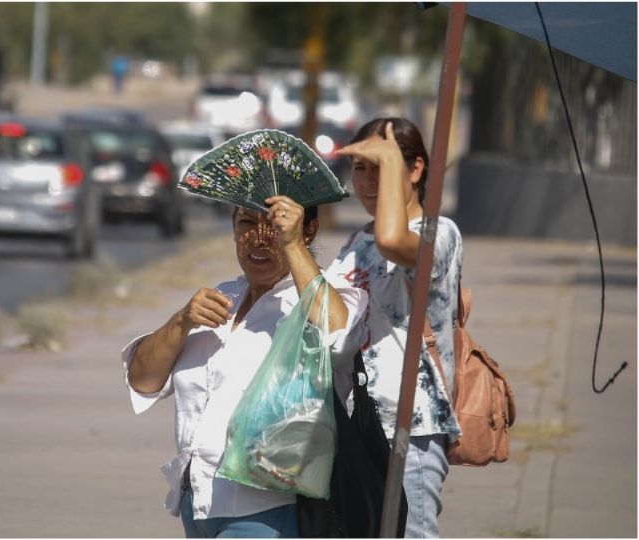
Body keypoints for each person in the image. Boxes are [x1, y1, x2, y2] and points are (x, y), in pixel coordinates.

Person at [121, 195, 367, 538]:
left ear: (308, 229)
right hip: (199, 505)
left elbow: (340, 334)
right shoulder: (221, 299)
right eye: (247, 223)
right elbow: (142, 380)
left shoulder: (323, 296)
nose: (259, 238)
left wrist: (292, 244)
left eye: (275, 225)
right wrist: (181, 322)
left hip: (267, 508)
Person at [328, 117, 463, 538]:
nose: (368, 181)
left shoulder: (438, 234)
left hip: (410, 425)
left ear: (416, 169)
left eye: (382, 167)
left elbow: (393, 242)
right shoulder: (356, 241)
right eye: (361, 168)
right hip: (356, 423)